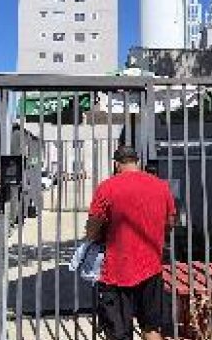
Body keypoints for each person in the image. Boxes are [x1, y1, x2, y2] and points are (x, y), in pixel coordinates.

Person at [86, 146, 176, 340]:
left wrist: (98, 237)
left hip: (117, 271)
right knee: (152, 328)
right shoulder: (160, 186)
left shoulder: (107, 187)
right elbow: (170, 222)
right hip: (151, 268)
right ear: (137, 162)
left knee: (118, 333)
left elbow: (92, 230)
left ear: (116, 164)